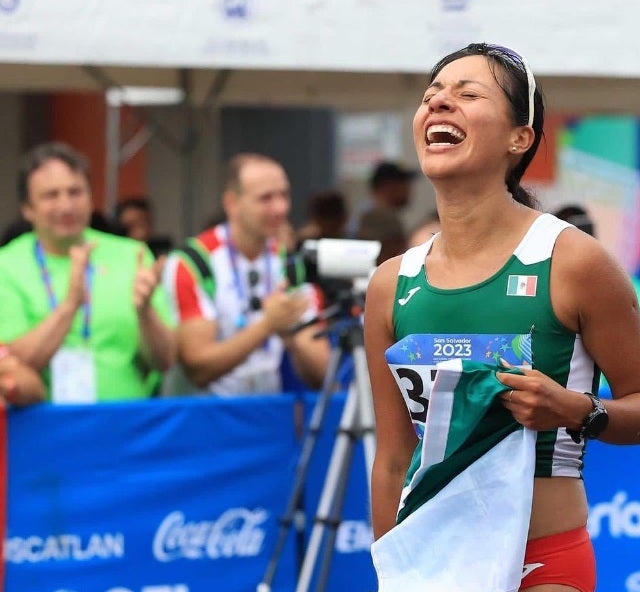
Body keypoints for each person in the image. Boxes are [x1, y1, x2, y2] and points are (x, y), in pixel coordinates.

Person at [360, 43, 640, 592]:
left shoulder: (574, 260)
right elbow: (392, 456)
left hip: (541, 566)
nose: (439, 101)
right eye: (431, 94)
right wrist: (393, 574)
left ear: (520, 136)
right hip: (429, 570)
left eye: (469, 94)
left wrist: (578, 411)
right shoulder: (391, 285)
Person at [0, 141, 175, 403]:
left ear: (91, 198)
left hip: (127, 423)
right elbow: (11, 363)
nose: (66, 205)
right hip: (45, 430)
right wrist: (70, 305)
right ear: (27, 209)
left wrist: (145, 312)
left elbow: (166, 361)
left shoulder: (131, 255)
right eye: (51, 195)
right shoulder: (7, 265)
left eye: (75, 192)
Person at [161, 152, 330, 396]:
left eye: (284, 195)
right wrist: (268, 325)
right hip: (203, 421)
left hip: (263, 414)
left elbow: (321, 373)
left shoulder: (288, 262)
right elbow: (198, 369)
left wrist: (292, 333)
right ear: (232, 203)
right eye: (265, 198)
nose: (280, 208)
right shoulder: (194, 261)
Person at [551, 203, 640, 354]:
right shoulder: (539, 283)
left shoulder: (624, 282)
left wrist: (609, 291)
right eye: (564, 232)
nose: (573, 241)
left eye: (581, 231)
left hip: (609, 378)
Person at [355, 161, 416, 265]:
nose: (408, 189)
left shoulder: (373, 212)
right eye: (403, 183)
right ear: (388, 186)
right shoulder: (378, 216)